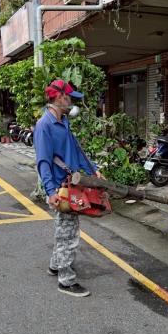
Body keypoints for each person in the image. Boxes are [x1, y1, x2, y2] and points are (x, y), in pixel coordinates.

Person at [33, 79, 102, 298]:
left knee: (65, 229)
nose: (71, 101)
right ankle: (66, 280)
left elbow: (76, 151)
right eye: (69, 97)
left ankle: (55, 266)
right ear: (59, 98)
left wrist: (93, 170)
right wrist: (51, 192)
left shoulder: (63, 121)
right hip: (60, 188)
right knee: (68, 234)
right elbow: (43, 161)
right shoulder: (45, 125)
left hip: (71, 183)